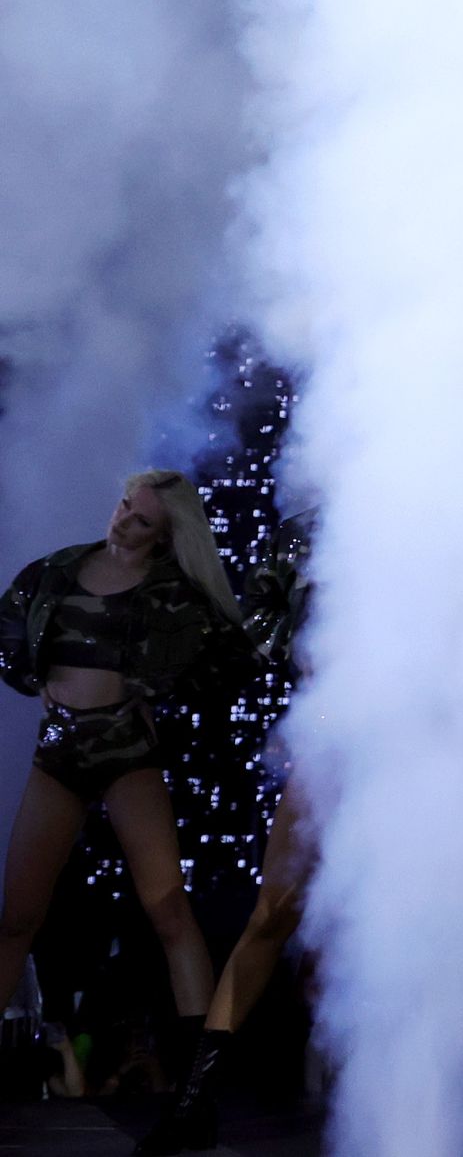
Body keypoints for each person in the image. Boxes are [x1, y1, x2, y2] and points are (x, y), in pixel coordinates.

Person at [0, 471, 249, 1124]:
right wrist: (36, 682)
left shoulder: (175, 593)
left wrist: (153, 693)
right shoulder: (58, 570)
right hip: (58, 754)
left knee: (168, 910)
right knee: (17, 918)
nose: (121, 521)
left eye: (139, 519)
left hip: (127, 757)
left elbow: (226, 659)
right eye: (122, 506)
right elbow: (8, 629)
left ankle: (197, 1089)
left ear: (164, 533)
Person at [136, 509, 317, 1154]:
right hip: (340, 734)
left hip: (437, 744)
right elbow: (258, 636)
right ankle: (195, 1104)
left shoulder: (457, 510)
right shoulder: (306, 529)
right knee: (271, 915)